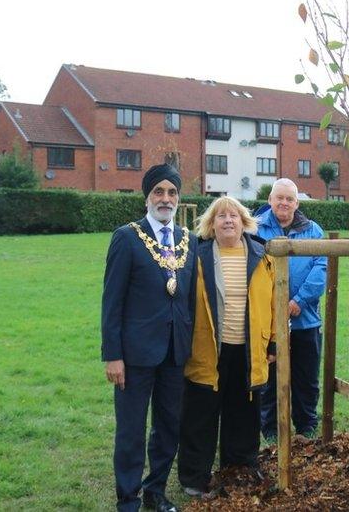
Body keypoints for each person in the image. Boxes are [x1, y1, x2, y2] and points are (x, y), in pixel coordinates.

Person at [101, 163, 197, 512]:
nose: (165, 198)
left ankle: (155, 490)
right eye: (159, 191)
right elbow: (112, 302)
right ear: (147, 197)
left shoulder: (190, 241)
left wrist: (191, 348)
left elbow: (190, 300)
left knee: (168, 426)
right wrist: (113, 355)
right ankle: (128, 498)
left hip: (175, 353)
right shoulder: (126, 237)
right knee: (131, 430)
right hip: (135, 355)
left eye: (172, 192)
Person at [177, 196, 276, 497]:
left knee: (244, 412)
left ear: (244, 221)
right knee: (201, 414)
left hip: (247, 348)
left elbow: (273, 303)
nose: (228, 221)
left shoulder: (262, 255)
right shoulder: (197, 254)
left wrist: (273, 343)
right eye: (221, 217)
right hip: (207, 348)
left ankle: (240, 468)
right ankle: (195, 477)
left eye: (234, 215)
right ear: (211, 224)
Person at [255, 179, 327, 440]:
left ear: (297, 203)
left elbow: (321, 268)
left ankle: (306, 427)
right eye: (279, 198)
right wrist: (273, 307)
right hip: (266, 322)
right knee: (269, 378)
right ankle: (270, 429)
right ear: (270, 200)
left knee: (306, 378)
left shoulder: (313, 231)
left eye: (289, 199)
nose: (284, 203)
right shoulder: (255, 229)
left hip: (304, 320)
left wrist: (298, 301)